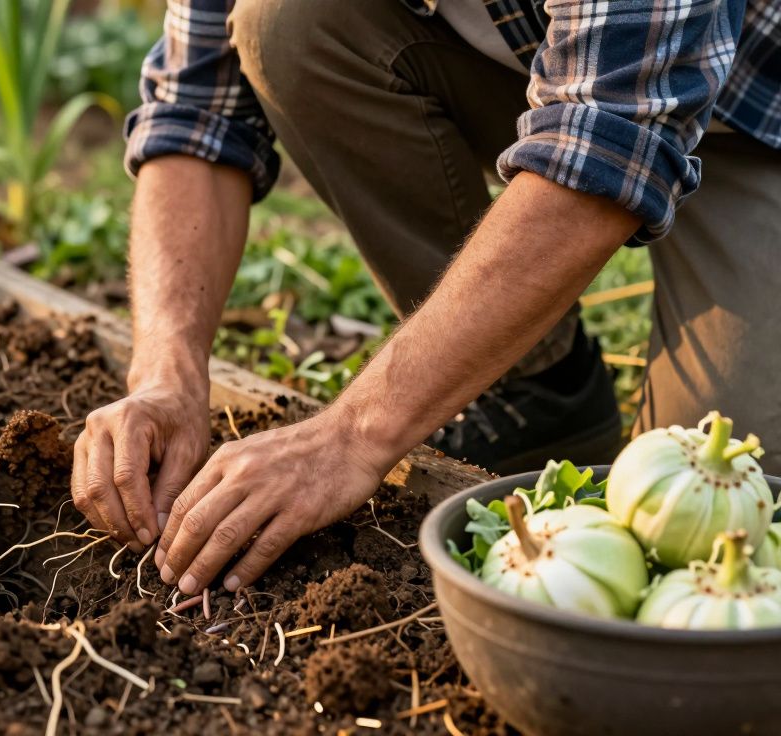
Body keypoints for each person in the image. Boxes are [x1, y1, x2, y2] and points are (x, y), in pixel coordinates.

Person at [69, 0, 781, 597]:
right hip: (548, 72)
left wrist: (349, 436)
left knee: (722, 523)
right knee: (288, 19)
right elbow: (196, 108)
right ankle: (539, 394)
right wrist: (166, 374)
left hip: (753, 121)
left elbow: (609, 139)